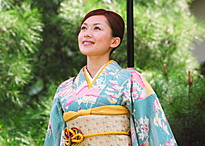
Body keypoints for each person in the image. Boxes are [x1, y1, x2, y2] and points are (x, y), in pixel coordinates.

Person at [44, 9, 177, 146]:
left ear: (114, 41)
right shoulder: (64, 89)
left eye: (97, 28)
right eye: (84, 28)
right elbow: (54, 138)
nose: (87, 34)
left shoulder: (130, 80)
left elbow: (152, 129)